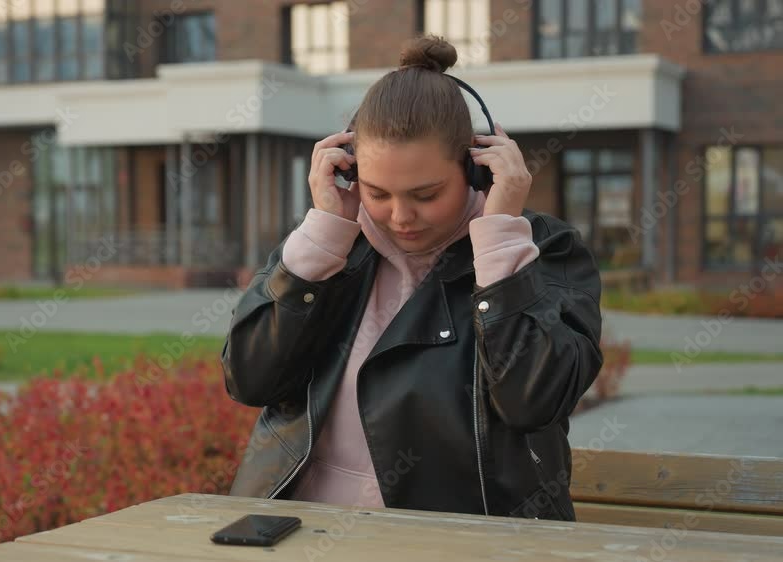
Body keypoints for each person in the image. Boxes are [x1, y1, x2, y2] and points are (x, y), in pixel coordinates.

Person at [220, 34, 603, 521]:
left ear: (476, 170)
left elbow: (535, 400)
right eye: (378, 192)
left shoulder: (546, 248)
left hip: (458, 542)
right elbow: (250, 380)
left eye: (426, 194)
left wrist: (501, 240)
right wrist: (321, 237)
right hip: (298, 531)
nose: (400, 216)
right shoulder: (333, 242)